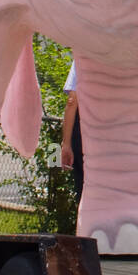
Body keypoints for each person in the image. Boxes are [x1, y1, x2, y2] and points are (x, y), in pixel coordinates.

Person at [60, 61, 84, 199]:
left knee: (84, 186)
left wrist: (66, 144)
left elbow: (72, 101)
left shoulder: (82, 58)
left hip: (84, 132)